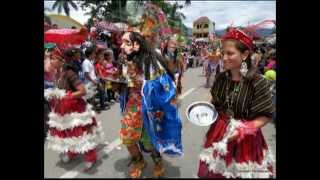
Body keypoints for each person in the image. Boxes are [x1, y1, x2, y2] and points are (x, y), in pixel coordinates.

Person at [197, 28, 274, 178]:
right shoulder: (220, 78)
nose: (224, 57)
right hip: (219, 133)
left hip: (246, 138)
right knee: (214, 171)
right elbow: (215, 102)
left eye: (230, 53)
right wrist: (203, 110)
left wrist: (243, 129)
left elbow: (265, 116)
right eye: (223, 53)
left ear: (245, 55)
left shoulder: (257, 82)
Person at [117, 31, 183, 178]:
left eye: (126, 42)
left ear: (137, 45)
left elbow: (164, 85)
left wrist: (162, 108)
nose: (121, 46)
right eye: (122, 42)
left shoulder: (152, 61)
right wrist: (117, 82)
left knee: (150, 140)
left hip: (150, 107)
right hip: (132, 106)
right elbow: (122, 85)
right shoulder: (123, 61)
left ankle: (158, 163)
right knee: (127, 138)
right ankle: (139, 162)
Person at [44, 48, 104, 171]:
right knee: (67, 133)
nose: (50, 60)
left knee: (80, 134)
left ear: (60, 60)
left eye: (53, 58)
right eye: (50, 58)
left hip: (75, 109)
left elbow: (83, 91)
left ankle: (90, 157)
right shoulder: (57, 73)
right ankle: (72, 152)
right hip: (61, 109)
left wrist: (67, 96)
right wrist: (54, 93)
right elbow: (60, 89)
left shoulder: (69, 73)